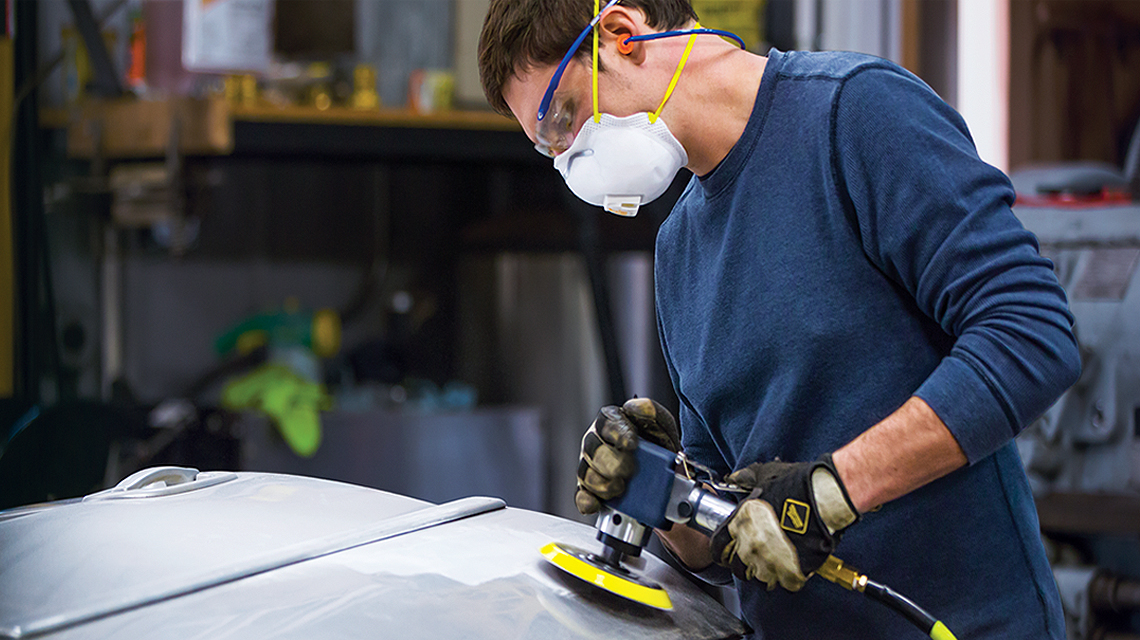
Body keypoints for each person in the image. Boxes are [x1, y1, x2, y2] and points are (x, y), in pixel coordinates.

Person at [478, 1, 1082, 638]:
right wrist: (659, 492)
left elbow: (1031, 331)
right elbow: (718, 541)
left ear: (622, 35)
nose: (572, 158)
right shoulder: (679, 247)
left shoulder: (854, 114)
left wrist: (831, 491)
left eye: (563, 119)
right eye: (550, 147)